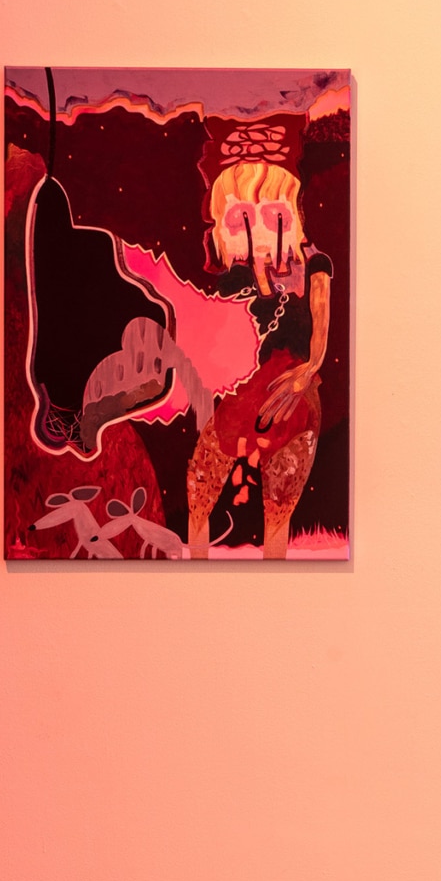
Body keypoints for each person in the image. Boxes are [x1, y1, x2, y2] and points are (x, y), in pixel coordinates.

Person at [187, 116, 332, 557]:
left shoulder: (315, 265)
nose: (258, 227)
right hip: (239, 399)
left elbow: (320, 331)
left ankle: (276, 575)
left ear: (291, 215)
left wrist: (306, 373)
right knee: (199, 491)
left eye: (272, 214)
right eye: (242, 217)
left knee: (279, 504)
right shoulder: (233, 279)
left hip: (291, 397)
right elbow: (215, 348)